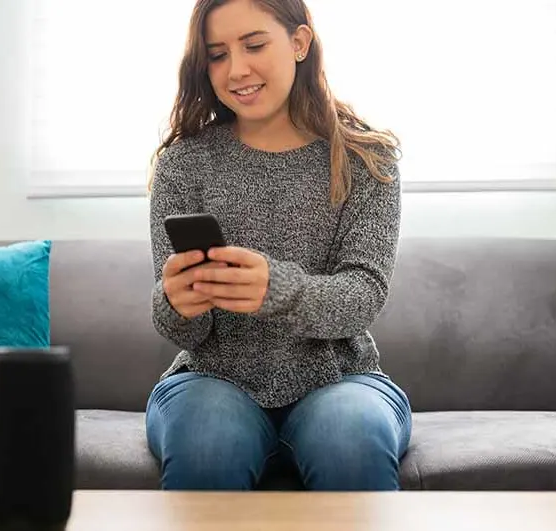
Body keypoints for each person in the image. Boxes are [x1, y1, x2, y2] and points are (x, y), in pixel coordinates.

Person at [144, 0, 412, 492]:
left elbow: (363, 296)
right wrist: (179, 304)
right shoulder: (184, 164)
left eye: (254, 45)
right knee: (207, 445)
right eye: (218, 54)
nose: (236, 69)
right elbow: (180, 327)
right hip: (211, 378)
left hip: (341, 379)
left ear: (299, 43)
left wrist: (276, 289)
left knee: (349, 442)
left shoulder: (367, 159)